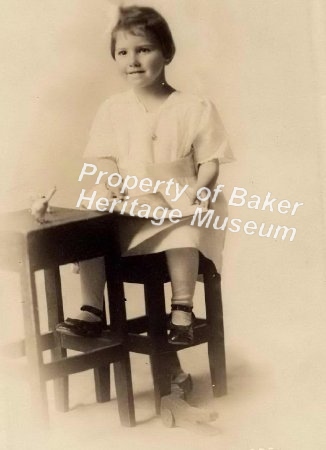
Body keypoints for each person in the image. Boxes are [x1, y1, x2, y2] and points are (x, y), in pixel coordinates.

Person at [57, 5, 231, 383]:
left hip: (177, 197)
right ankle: (92, 306)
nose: (132, 61)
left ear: (167, 52)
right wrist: (112, 179)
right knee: (91, 218)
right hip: (131, 204)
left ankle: (181, 307)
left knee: (183, 229)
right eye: (123, 53)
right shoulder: (113, 109)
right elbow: (102, 156)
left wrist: (200, 192)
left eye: (144, 50)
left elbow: (211, 161)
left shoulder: (194, 107)